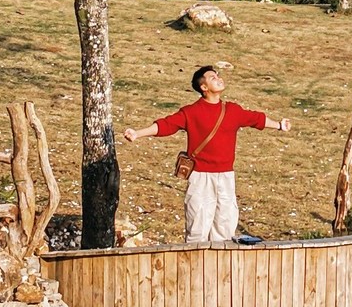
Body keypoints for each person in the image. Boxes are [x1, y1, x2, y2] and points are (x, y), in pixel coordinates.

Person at [122, 65, 292, 243]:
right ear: (203, 88)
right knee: (197, 229)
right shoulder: (191, 112)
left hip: (226, 177)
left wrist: (279, 125)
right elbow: (166, 125)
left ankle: (220, 269)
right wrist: (138, 133)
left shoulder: (232, 110)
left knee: (225, 229)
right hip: (200, 178)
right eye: (212, 77)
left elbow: (256, 119)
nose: (219, 78)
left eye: (218, 76)